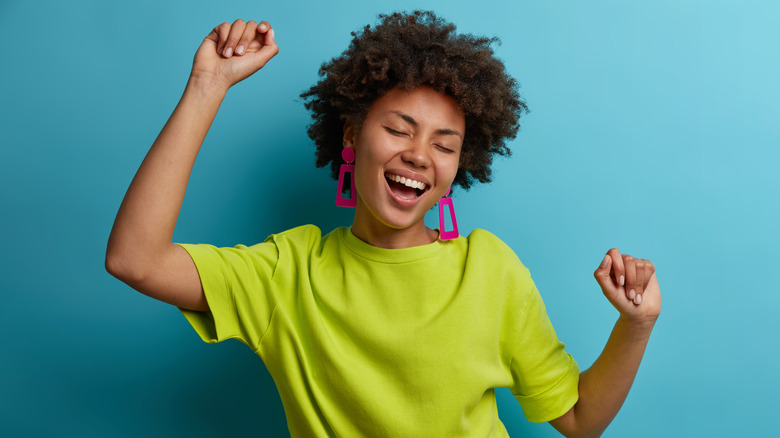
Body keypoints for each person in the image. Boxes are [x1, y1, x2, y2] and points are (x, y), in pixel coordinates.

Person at [106, 11, 661, 437]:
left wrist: (635, 326)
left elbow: (579, 420)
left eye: (445, 145)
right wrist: (208, 86)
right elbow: (135, 259)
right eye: (399, 129)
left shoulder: (489, 269)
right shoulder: (287, 272)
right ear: (351, 136)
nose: (420, 155)